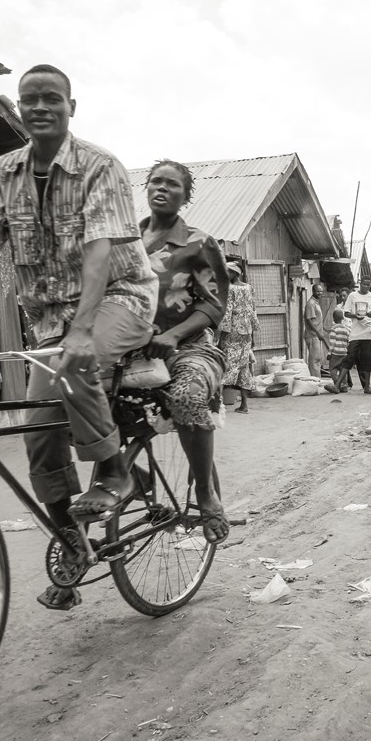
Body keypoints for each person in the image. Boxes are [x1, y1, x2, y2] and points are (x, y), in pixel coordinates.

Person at [0, 65, 158, 610]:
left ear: (73, 105)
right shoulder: (3, 173)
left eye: (52, 98)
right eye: (30, 100)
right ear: (19, 107)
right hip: (49, 320)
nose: (40, 107)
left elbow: (99, 254)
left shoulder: (102, 166)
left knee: (80, 360)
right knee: (38, 434)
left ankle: (115, 472)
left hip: (120, 298)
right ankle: (73, 544)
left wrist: (81, 330)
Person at [139, 159, 230, 546]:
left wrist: (174, 335)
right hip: (131, 351)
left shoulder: (197, 243)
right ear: (146, 189)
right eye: (156, 182)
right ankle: (130, 482)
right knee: (79, 400)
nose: (162, 188)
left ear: (185, 195)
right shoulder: (124, 240)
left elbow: (213, 305)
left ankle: (206, 494)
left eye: (172, 185)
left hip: (189, 349)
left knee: (186, 395)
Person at [220, 260, 258, 413]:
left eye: (228, 272)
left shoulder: (229, 289)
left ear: (234, 273)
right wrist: (253, 331)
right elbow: (252, 310)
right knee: (243, 367)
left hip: (233, 331)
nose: (226, 274)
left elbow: (227, 311)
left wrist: (221, 332)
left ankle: (219, 404)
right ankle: (244, 405)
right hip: (246, 332)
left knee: (226, 364)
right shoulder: (249, 288)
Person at [341, 275, 371, 394]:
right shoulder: (352, 296)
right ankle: (338, 384)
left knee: (367, 360)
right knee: (349, 357)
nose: (366, 286)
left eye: (368, 285)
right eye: (364, 284)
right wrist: (355, 316)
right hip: (356, 333)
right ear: (360, 283)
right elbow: (346, 313)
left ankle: (367, 386)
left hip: (368, 332)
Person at [304, 283, 327, 377]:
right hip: (313, 335)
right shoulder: (311, 303)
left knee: (317, 359)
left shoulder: (316, 302)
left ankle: (317, 379)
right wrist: (318, 333)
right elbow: (309, 320)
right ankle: (315, 381)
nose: (320, 293)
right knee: (314, 360)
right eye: (318, 291)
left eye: (321, 291)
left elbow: (316, 319)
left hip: (317, 335)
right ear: (313, 291)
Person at [326, 308, 350, 392]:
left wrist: (329, 353)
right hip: (344, 353)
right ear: (342, 318)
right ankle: (344, 385)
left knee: (332, 369)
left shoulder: (333, 329)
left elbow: (332, 343)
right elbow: (348, 341)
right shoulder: (346, 329)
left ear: (334, 319)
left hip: (335, 353)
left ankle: (337, 383)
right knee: (343, 369)